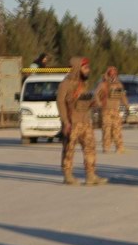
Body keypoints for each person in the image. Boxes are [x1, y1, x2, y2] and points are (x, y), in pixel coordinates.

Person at [55, 57, 104, 186]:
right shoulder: (65, 84)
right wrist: (65, 122)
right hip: (72, 122)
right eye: (85, 68)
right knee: (69, 149)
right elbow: (60, 102)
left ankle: (91, 175)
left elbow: (84, 101)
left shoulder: (83, 84)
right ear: (78, 68)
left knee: (90, 147)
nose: (88, 70)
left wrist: (93, 103)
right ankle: (68, 175)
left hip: (85, 121)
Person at [94, 66, 128, 155]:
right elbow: (96, 94)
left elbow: (123, 96)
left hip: (115, 110)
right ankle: (106, 147)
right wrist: (99, 104)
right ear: (108, 74)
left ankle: (119, 147)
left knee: (117, 129)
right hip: (106, 111)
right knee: (106, 129)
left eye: (114, 74)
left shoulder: (118, 85)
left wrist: (127, 106)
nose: (113, 75)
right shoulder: (103, 84)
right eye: (111, 74)